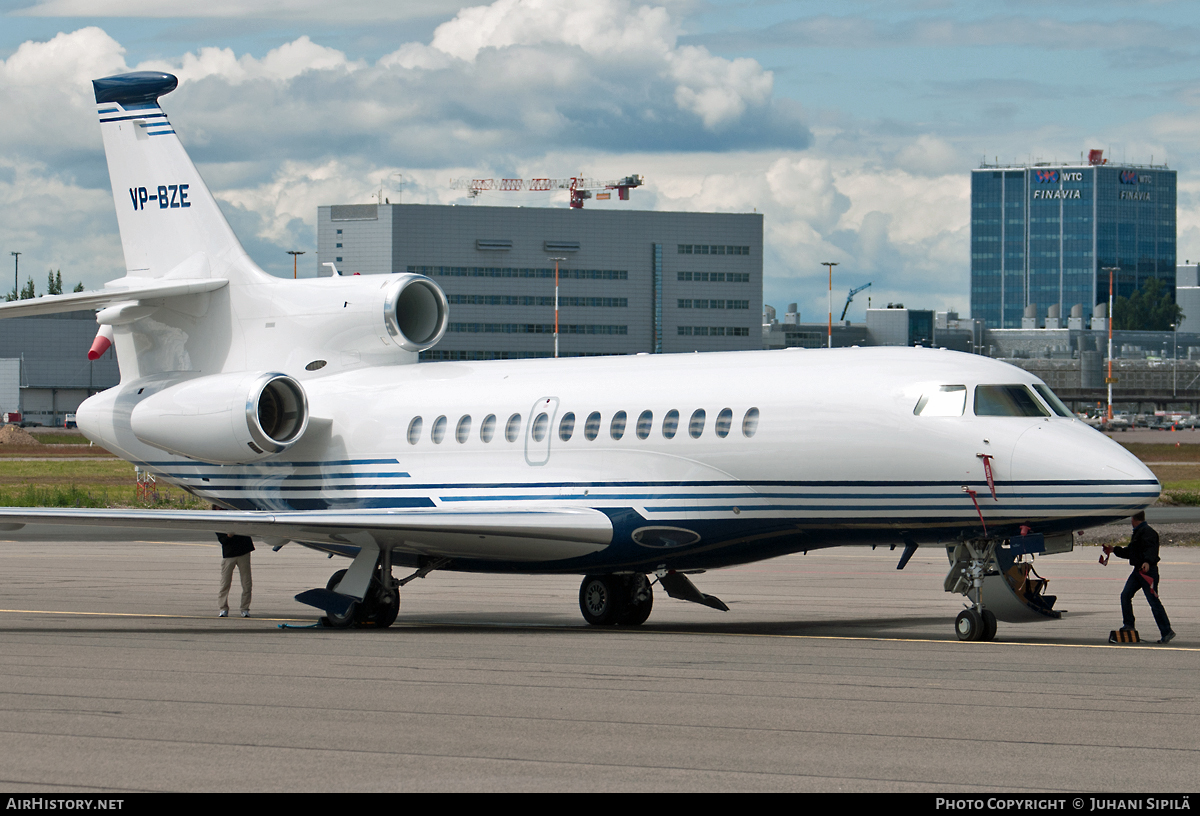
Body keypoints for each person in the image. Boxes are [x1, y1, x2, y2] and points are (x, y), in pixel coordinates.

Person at [1103, 511, 1175, 644]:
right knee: (1125, 595)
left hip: (1147, 573)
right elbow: (1131, 552)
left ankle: (1167, 631)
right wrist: (1114, 550)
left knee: (1153, 602)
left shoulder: (1148, 532)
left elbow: (1152, 550)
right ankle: (1129, 625)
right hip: (1138, 572)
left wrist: (1147, 561)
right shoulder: (1139, 532)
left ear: (1133, 519)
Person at [216, 520, 255, 618]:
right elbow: (223, 540)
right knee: (225, 583)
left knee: (247, 583)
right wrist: (230, 534)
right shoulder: (218, 523)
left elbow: (248, 529)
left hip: (244, 552)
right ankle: (223, 608)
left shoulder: (238, 517)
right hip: (229, 555)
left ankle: (245, 609)